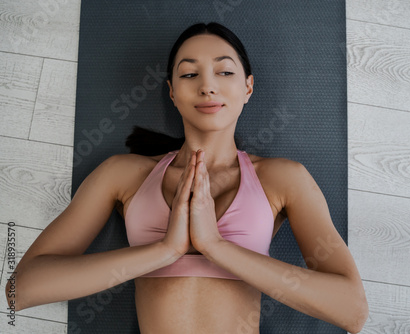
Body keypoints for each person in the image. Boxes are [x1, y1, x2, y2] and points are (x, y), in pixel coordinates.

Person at [6, 22, 368, 333]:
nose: (207, 86)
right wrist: (165, 250)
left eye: (224, 72)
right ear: (173, 93)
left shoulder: (283, 179)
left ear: (248, 87)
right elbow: (19, 290)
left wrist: (217, 246)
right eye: (190, 73)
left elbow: (352, 312)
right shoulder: (124, 173)